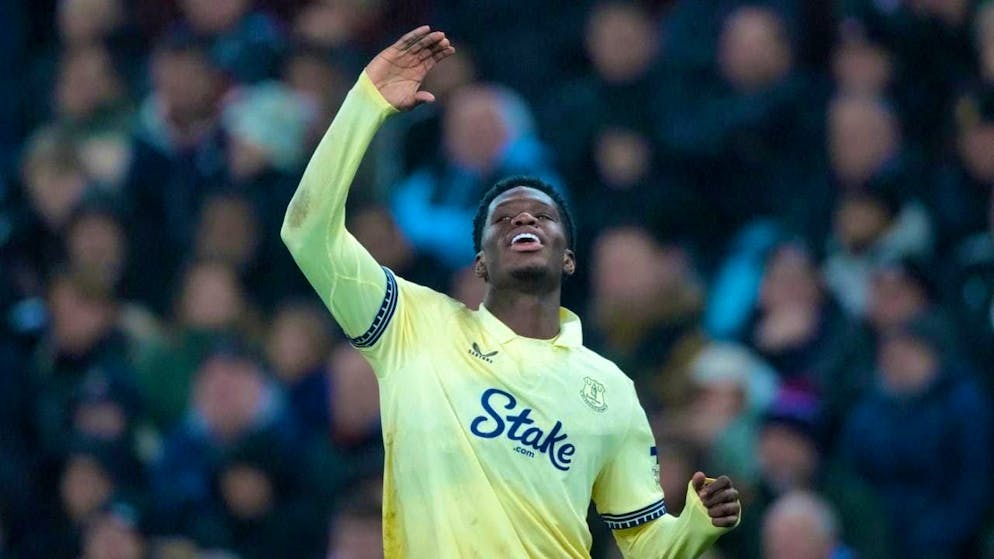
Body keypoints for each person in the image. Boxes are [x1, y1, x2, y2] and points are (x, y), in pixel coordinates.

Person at [282, 26, 741, 557]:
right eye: (503, 218)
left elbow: (644, 544)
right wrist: (366, 106)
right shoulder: (410, 324)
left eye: (543, 215)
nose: (524, 216)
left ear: (568, 257)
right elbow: (307, 231)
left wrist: (696, 526)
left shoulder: (609, 389)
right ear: (480, 262)